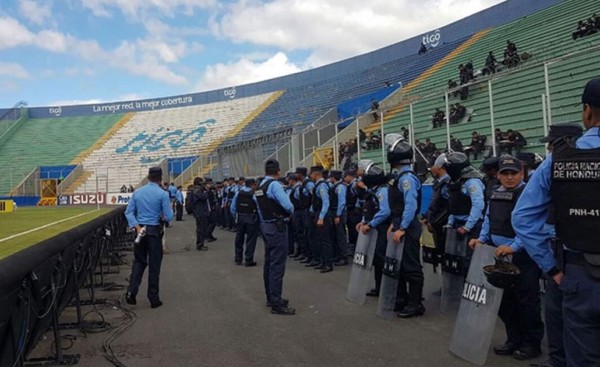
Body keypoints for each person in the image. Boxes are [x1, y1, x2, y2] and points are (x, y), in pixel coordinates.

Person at [513, 79, 600, 366]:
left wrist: (551, 266)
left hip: (579, 274)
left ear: (587, 111)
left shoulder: (558, 159)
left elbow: (522, 218)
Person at [469, 156, 544, 361]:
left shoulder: (529, 193)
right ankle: (514, 339)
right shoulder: (495, 192)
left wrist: (514, 246)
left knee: (526, 300)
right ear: (498, 175)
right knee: (505, 301)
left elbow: (533, 225)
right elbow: (488, 219)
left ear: (522, 174)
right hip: (499, 254)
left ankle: (531, 343)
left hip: (523, 255)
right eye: (505, 173)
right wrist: (481, 239)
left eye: (514, 173)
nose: (509, 177)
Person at [385, 134, 425, 317]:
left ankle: (415, 304)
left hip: (407, 227)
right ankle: (403, 299)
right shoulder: (399, 176)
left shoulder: (406, 178)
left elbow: (410, 206)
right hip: (400, 224)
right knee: (399, 264)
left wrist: (402, 227)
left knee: (411, 265)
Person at [124, 166, 173, 309]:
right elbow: (169, 216)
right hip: (154, 230)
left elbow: (129, 212)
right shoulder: (162, 194)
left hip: (140, 230)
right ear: (160, 178)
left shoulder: (138, 192)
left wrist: (137, 226)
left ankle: (131, 292)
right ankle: (153, 297)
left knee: (139, 261)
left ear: (148, 177)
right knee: (154, 264)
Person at [255, 159, 295, 315]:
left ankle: (271, 297)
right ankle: (277, 303)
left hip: (266, 226)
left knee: (269, 263)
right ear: (278, 172)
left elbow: (258, 206)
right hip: (277, 226)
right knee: (277, 266)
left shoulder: (260, 186)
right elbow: (288, 206)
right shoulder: (275, 185)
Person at [357, 160, 392, 298]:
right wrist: (363, 222)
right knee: (377, 259)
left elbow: (385, 211)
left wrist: (370, 224)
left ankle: (385, 289)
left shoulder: (382, 190)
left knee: (382, 258)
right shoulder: (373, 191)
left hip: (382, 228)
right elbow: (369, 209)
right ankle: (379, 287)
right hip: (374, 227)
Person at [423, 154, 450, 272]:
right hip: (436, 224)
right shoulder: (439, 182)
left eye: (432, 166)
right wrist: (426, 217)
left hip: (443, 224)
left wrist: (434, 222)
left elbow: (447, 206)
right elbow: (434, 204)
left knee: (446, 253)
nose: (430, 169)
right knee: (440, 253)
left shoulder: (446, 183)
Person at [309, 165, 335, 273]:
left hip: (322, 215)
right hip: (318, 214)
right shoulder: (317, 185)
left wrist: (321, 217)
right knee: (319, 239)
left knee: (325, 241)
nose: (310, 175)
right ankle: (323, 262)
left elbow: (326, 202)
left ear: (316, 174)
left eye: (311, 173)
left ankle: (328, 263)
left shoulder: (322, 186)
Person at [230, 178, 259, 267]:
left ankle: (238, 259)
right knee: (250, 240)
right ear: (252, 185)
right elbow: (258, 207)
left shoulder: (238, 193)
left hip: (240, 218)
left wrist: (236, 217)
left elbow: (232, 208)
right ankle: (248, 260)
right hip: (251, 218)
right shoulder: (254, 195)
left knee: (239, 238)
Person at [329, 170, 349, 266]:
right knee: (336, 235)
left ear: (333, 177)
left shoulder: (340, 187)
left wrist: (338, 215)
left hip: (339, 212)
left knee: (341, 235)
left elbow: (341, 202)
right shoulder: (336, 186)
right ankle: (338, 255)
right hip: (335, 212)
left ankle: (344, 256)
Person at [190, 177, 210, 251]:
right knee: (201, 229)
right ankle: (200, 244)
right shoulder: (197, 191)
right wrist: (206, 191)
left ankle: (200, 243)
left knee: (201, 228)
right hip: (200, 212)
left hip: (200, 211)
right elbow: (204, 197)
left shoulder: (197, 190)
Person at [344, 170, 361, 252]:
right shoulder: (351, 185)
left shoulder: (354, 185)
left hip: (354, 210)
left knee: (354, 230)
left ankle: (355, 248)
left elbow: (358, 197)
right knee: (351, 229)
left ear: (351, 176)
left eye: (346, 176)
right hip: (352, 210)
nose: (345, 178)